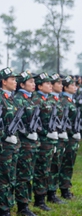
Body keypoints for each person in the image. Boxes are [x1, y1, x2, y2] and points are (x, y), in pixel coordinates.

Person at [0, 67, 22, 216]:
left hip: (13, 146)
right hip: (3, 146)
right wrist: (5, 135)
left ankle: (8, 210)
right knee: (4, 178)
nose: (15, 82)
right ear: (4, 81)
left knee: (11, 177)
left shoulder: (11, 98)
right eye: (12, 79)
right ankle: (3, 213)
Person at [13, 71, 40, 216]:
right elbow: (17, 122)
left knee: (28, 174)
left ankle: (26, 205)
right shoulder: (19, 100)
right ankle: (22, 206)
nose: (33, 84)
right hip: (23, 144)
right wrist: (26, 133)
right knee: (22, 175)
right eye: (30, 82)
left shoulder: (29, 99)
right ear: (22, 85)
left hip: (31, 144)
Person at [32, 72, 58, 211]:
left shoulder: (47, 99)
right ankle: (39, 199)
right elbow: (34, 122)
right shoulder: (37, 100)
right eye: (47, 83)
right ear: (40, 86)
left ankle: (43, 197)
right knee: (41, 170)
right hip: (41, 141)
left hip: (48, 140)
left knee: (46, 169)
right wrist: (46, 132)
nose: (50, 85)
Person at [58, 75, 79, 199]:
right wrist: (72, 132)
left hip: (72, 137)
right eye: (72, 85)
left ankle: (66, 187)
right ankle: (64, 190)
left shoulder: (70, 100)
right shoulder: (64, 102)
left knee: (69, 164)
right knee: (65, 164)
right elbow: (63, 122)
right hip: (67, 138)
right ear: (65, 87)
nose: (75, 87)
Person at [47, 74, 66, 205]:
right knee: (45, 169)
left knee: (55, 166)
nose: (61, 86)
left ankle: (53, 192)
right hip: (44, 140)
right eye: (58, 83)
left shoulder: (57, 100)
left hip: (55, 138)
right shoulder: (47, 101)